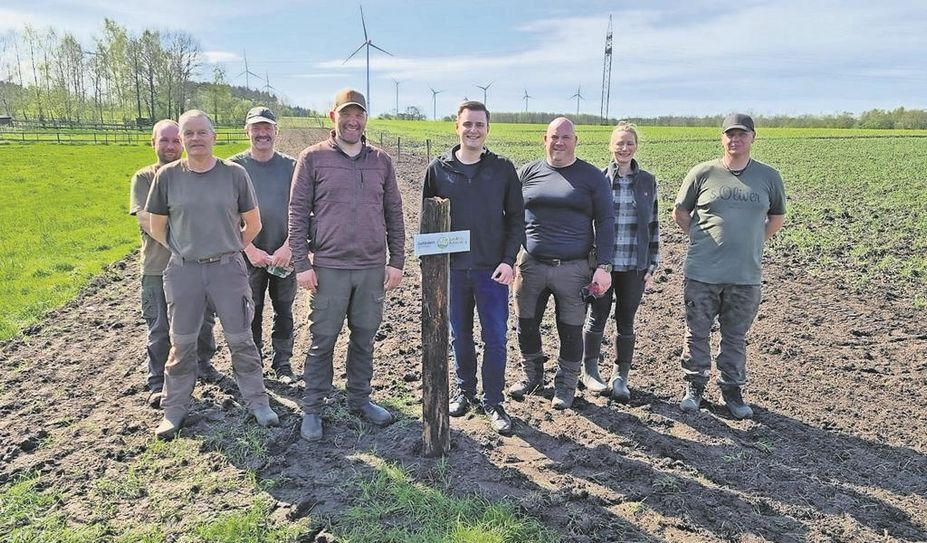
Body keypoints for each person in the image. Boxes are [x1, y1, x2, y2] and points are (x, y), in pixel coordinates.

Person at [146, 109, 279, 438]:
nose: (195, 139)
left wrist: (230, 245)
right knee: (182, 343)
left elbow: (254, 223)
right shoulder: (168, 177)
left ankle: (258, 402)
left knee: (241, 339)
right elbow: (157, 225)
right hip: (184, 272)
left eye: (201, 132)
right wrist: (185, 248)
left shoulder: (234, 174)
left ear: (213, 136)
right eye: (187, 134)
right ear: (181, 139)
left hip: (227, 270)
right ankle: (174, 410)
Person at [288, 89, 406, 442]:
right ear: (333, 116)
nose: (353, 121)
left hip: (371, 268)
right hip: (328, 267)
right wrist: (301, 264)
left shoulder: (381, 161)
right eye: (346, 114)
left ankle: (360, 399)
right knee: (322, 339)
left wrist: (396, 260)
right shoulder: (312, 159)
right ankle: (313, 408)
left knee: (365, 338)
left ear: (365, 119)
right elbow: (296, 213)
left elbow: (394, 213)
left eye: (359, 115)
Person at [673, 113, 786, 419]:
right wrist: (701, 238)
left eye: (742, 134)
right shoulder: (702, 173)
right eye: (730, 134)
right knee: (696, 333)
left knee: (735, 336)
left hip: (745, 275)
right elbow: (681, 212)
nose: (735, 139)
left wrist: (754, 241)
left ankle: (732, 391)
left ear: (753, 137)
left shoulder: (768, 177)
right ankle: (694, 387)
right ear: (722, 138)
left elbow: (776, 217)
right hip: (702, 272)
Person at [422, 101, 524, 435]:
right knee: (459, 335)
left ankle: (493, 400)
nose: (473, 130)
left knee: (495, 336)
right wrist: (430, 265)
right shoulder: (438, 170)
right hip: (452, 272)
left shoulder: (502, 169)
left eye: (479, 125)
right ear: (457, 127)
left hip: (492, 272)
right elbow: (428, 223)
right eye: (467, 124)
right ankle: (465, 392)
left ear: (487, 129)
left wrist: (509, 261)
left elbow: (517, 221)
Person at [510, 117, 615, 410]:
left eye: (566, 137)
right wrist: (510, 257)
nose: (559, 142)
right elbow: (512, 216)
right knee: (525, 323)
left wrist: (603, 266)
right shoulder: (528, 173)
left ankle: (566, 385)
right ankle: (532, 377)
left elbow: (606, 221)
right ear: (545, 139)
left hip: (573, 267)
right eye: (555, 136)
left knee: (570, 327)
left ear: (575, 141)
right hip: (530, 264)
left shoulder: (592, 177)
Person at [130, 119, 219, 409]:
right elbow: (147, 219)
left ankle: (203, 366)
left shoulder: (194, 175)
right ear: (153, 143)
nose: (170, 146)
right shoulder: (145, 178)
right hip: (159, 266)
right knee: (160, 325)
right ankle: (158, 381)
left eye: (174, 140)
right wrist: (182, 245)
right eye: (163, 140)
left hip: (197, 267)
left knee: (203, 320)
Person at [579, 122, 660, 402]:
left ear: (636, 146)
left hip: (634, 266)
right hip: (603, 265)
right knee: (597, 316)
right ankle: (589, 370)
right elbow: (588, 224)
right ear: (610, 146)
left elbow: (653, 224)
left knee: (626, 321)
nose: (624, 148)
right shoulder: (598, 179)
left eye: (629, 143)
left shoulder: (648, 181)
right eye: (619, 143)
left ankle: (620, 376)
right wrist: (590, 263)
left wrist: (652, 265)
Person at [230, 106, 298, 380]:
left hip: (284, 254)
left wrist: (290, 247)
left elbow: (304, 209)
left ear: (276, 132)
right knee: (250, 311)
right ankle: (252, 365)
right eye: (256, 128)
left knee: (284, 310)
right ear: (247, 131)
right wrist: (249, 249)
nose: (262, 133)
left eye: (267, 128)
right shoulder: (234, 167)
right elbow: (226, 212)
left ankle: (282, 365)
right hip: (247, 256)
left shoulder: (292, 167)